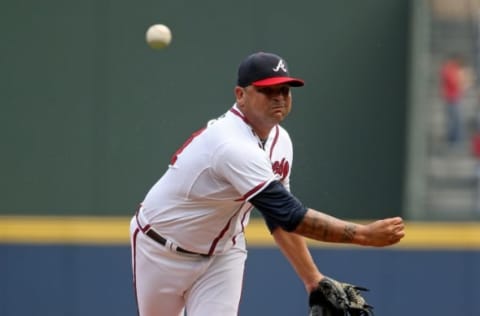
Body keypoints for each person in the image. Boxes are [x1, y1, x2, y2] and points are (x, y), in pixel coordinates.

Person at [129, 51, 405, 316]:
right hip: (160, 247)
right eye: (267, 91)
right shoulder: (230, 144)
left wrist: (312, 279)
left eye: (285, 91)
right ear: (241, 95)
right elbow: (292, 215)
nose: (279, 98)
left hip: (223, 255)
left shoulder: (280, 140)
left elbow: (278, 217)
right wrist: (363, 235)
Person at [440, 54, 469, 146]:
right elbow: (454, 82)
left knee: (456, 119)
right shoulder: (449, 69)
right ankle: (453, 139)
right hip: (451, 97)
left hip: (456, 97)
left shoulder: (456, 69)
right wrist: (461, 82)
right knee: (453, 119)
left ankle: (456, 139)